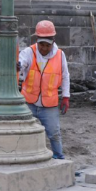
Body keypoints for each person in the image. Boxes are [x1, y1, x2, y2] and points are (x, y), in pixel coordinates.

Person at [18, 20, 69, 160]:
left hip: (49, 104)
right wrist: (18, 66)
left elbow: (65, 76)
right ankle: (25, 157)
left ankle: (59, 157)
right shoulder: (29, 52)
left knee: (54, 133)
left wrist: (66, 96)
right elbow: (22, 63)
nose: (44, 48)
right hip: (29, 102)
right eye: (42, 45)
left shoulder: (60, 55)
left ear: (53, 42)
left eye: (47, 45)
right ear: (37, 40)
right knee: (24, 132)